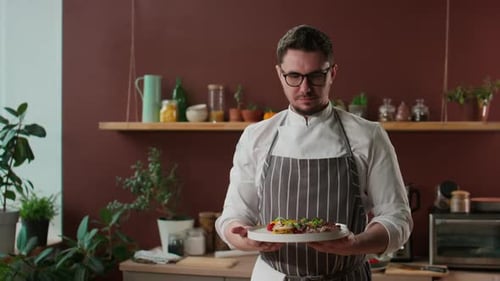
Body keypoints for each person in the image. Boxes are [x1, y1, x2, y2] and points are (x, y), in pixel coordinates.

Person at [215, 24, 413, 281]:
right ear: (279, 73)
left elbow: (397, 218)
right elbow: (233, 217)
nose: (305, 88)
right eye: (294, 76)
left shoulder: (368, 136)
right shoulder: (257, 137)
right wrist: (241, 237)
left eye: (316, 76)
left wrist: (356, 244)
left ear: (333, 73)